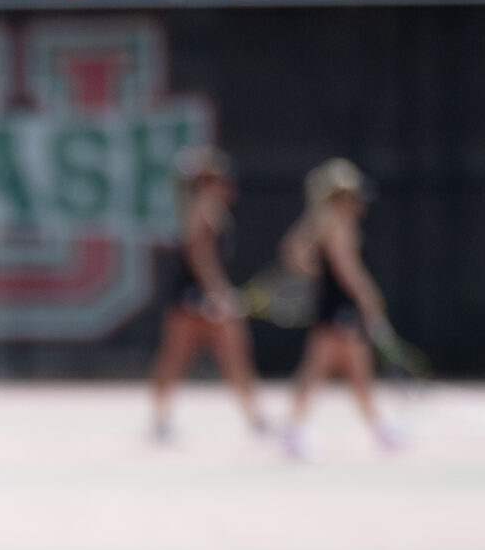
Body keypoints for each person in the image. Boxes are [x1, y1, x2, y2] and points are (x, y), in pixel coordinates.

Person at [277, 158, 400, 460]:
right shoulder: (337, 225)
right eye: (353, 195)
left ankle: (379, 429)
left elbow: (292, 252)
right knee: (322, 372)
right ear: (340, 195)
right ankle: (293, 430)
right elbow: (349, 272)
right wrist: (370, 301)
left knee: (349, 373)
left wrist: (311, 270)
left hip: (333, 307)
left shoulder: (323, 221)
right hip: (339, 309)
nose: (359, 201)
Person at [147, 146, 265, 440]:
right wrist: (218, 293)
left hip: (199, 297)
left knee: (230, 356)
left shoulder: (212, 209)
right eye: (217, 180)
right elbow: (199, 255)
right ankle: (160, 419)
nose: (225, 185)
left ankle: (254, 417)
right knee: (178, 358)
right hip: (192, 297)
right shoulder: (202, 208)